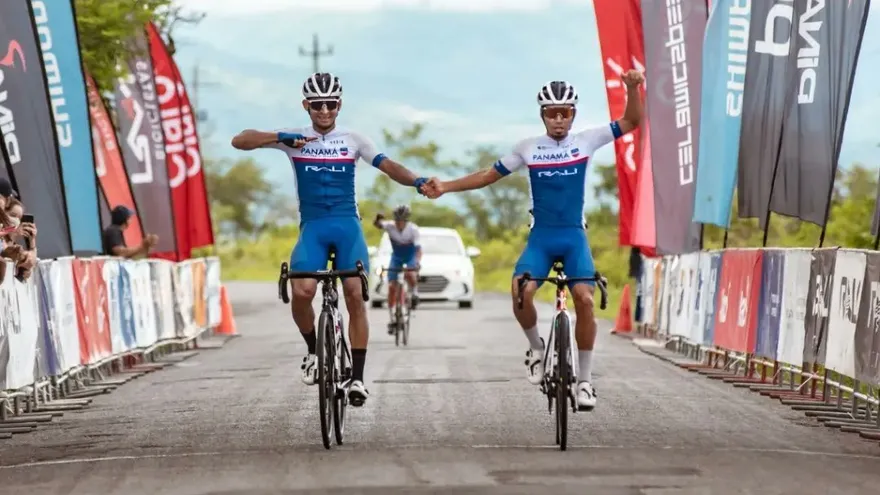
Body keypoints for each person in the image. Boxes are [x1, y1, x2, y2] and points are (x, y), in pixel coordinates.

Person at [422, 70, 645, 410]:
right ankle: (536, 350)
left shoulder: (586, 140)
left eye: (565, 112)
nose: (559, 119)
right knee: (520, 292)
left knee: (584, 301)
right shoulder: (528, 148)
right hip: (541, 237)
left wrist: (632, 88)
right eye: (552, 112)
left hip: (573, 237)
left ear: (573, 113)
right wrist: (446, 187)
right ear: (542, 114)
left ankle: (585, 382)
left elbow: (631, 120)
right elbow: (487, 176)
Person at [230, 72, 429, 407]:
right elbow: (240, 140)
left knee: (354, 294)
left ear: (339, 105)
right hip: (314, 228)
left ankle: (358, 379)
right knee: (302, 291)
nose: (324, 110)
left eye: (331, 104)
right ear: (306, 105)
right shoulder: (293, 139)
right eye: (317, 104)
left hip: (347, 226)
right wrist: (281, 137)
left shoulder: (354, 139)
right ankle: (313, 351)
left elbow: (389, 166)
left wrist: (418, 181)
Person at [373, 204, 422, 333]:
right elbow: (378, 225)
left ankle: (415, 293)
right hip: (396, 257)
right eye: (397, 220)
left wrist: (416, 262)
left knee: (410, 274)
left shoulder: (413, 229)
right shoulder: (390, 226)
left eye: (402, 221)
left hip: (410, 256)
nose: (399, 223)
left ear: (406, 220)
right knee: (391, 287)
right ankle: (393, 316)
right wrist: (378, 218)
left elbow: (418, 250)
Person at [3, 197, 38, 280]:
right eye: (13, 215)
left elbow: (27, 270)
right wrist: (13, 230)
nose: (16, 220)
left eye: (19, 218)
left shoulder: (15, 246)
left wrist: (32, 240)